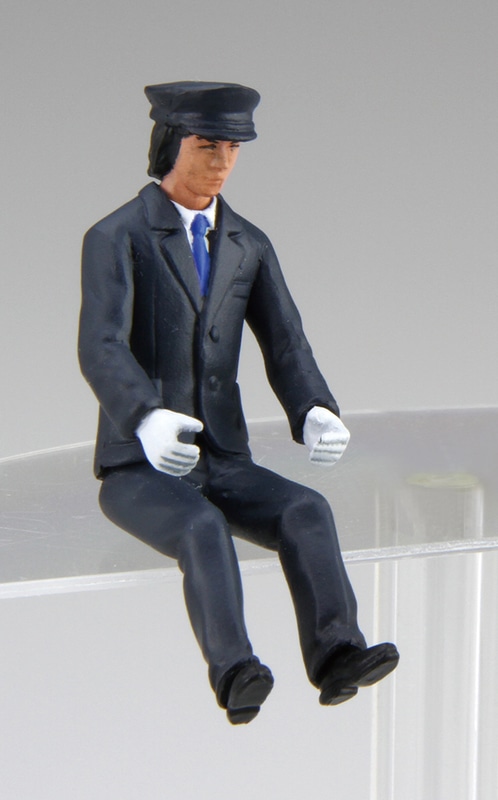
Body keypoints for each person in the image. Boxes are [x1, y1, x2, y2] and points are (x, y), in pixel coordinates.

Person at [78, 81, 399, 725]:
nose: (222, 161)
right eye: (208, 145)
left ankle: (337, 652)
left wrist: (313, 407)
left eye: (233, 148)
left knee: (306, 510)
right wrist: (144, 417)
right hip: (139, 466)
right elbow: (101, 344)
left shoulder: (248, 244)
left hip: (224, 458)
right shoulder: (118, 235)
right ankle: (235, 670)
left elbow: (285, 339)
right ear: (172, 144)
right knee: (200, 529)